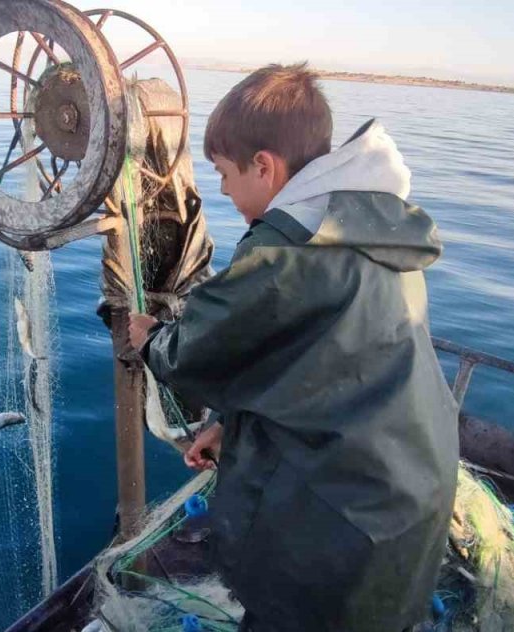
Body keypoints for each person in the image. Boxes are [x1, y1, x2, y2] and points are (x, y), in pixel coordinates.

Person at [127, 63, 460, 632]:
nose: (223, 190)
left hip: (341, 538)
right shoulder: (371, 226)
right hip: (410, 500)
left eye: (225, 173)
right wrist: (232, 427)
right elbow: (327, 365)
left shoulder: (286, 252)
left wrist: (150, 339)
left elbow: (198, 349)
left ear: (265, 166)